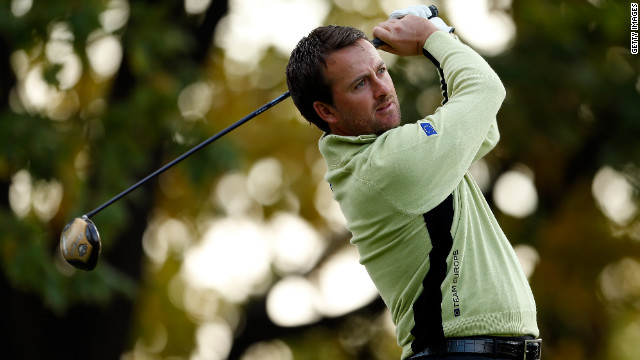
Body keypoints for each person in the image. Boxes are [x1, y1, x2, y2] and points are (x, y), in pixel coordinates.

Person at [286, 5, 541, 360]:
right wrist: (431, 38)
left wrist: (440, 36)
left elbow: (483, 126)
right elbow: (484, 90)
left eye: (380, 71)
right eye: (360, 83)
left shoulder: (383, 157)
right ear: (326, 111)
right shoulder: (385, 165)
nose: (382, 90)